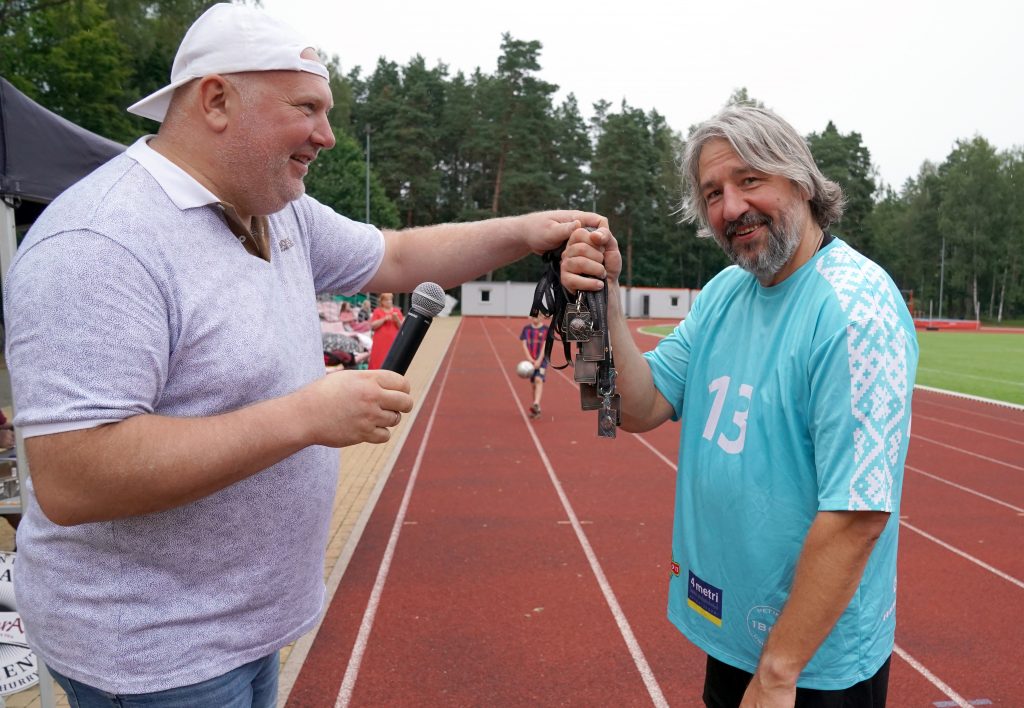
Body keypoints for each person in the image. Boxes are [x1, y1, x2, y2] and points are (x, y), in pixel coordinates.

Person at [1, 4, 606, 705]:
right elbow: (74, 478)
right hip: (156, 658)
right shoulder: (99, 242)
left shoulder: (274, 207)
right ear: (217, 100)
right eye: (307, 108)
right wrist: (307, 417)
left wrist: (527, 232)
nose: (327, 134)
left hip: (244, 631)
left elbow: (397, 255)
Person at [561, 105, 918, 707]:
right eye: (713, 193)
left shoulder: (856, 310)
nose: (730, 208)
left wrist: (777, 674)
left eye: (750, 180)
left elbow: (858, 515)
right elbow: (635, 408)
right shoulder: (726, 291)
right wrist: (600, 300)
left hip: (809, 662)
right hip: (736, 632)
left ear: (800, 181)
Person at [518, 310, 549, 419]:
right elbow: (524, 345)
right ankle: (537, 408)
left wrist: (539, 360)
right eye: (534, 315)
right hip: (530, 361)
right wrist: (530, 359)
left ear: (542, 317)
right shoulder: (526, 329)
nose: (536, 317)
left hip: (542, 361)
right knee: (533, 385)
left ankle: (536, 403)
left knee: (538, 379)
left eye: (539, 315)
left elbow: (545, 345)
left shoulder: (546, 330)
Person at [367, 292, 404, 370]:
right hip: (380, 341)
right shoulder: (377, 311)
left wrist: (397, 319)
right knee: (378, 358)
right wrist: (384, 319)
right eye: (386, 300)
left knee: (392, 358)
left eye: (390, 300)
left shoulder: (397, 311)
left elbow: (402, 327)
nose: (389, 302)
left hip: (393, 341)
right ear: (382, 301)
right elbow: (373, 325)